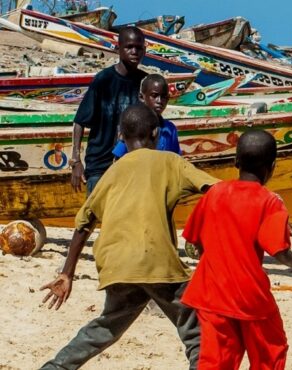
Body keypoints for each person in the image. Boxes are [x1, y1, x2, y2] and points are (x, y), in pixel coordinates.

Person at [39, 104, 218, 369]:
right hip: (156, 262)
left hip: (116, 264)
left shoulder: (112, 172)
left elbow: (83, 224)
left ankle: (55, 367)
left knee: (105, 328)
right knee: (198, 333)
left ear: (121, 135)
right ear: (157, 133)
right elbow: (216, 189)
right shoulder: (171, 162)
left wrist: (67, 273)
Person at [179, 129, 292, 369]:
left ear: (236, 161)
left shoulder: (214, 193)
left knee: (216, 360)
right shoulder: (269, 201)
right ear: (272, 166)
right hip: (250, 296)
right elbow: (278, 249)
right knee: (270, 354)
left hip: (211, 292)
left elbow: (194, 239)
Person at [69, 27, 148, 195]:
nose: (134, 51)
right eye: (129, 47)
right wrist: (76, 160)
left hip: (133, 166)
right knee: (99, 218)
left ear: (144, 50)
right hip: (100, 167)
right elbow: (80, 121)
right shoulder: (103, 80)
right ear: (118, 48)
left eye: (139, 47)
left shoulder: (144, 83)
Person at [112, 74, 181, 159]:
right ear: (141, 97)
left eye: (163, 97)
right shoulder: (132, 125)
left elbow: (176, 159)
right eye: (154, 96)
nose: (159, 101)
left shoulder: (170, 129)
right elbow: (119, 159)